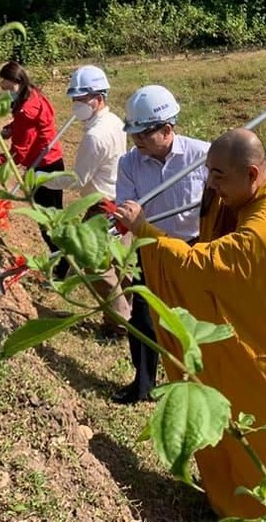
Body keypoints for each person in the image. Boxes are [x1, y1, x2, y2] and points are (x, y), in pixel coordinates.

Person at [114, 128, 266, 521]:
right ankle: (236, 499)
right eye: (208, 173)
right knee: (236, 425)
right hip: (257, 340)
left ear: (252, 175)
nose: (211, 185)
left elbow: (204, 266)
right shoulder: (256, 197)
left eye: (219, 176)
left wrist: (146, 230)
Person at [113, 85, 209, 404]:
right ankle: (143, 384)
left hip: (192, 248)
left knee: (195, 320)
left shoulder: (202, 156)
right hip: (150, 247)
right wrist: (127, 215)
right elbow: (124, 206)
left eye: (143, 133)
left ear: (167, 129)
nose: (136, 140)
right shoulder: (130, 163)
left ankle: (195, 384)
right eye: (134, 133)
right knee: (142, 318)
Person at [39, 66, 130, 332]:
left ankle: (119, 323)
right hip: (121, 200)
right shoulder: (115, 122)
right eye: (74, 99)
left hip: (101, 207)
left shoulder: (95, 135)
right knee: (121, 264)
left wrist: (43, 178)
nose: (76, 105)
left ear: (98, 98)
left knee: (95, 266)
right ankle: (128, 313)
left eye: (81, 99)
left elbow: (77, 179)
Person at [0, 61, 64, 251]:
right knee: (55, 216)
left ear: (18, 82)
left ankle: (61, 266)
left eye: (9, 88)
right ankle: (63, 260)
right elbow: (32, 127)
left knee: (48, 222)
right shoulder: (33, 95)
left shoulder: (27, 111)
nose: (6, 92)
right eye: (3, 88)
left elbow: (17, 155)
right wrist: (12, 128)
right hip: (53, 161)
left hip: (43, 167)